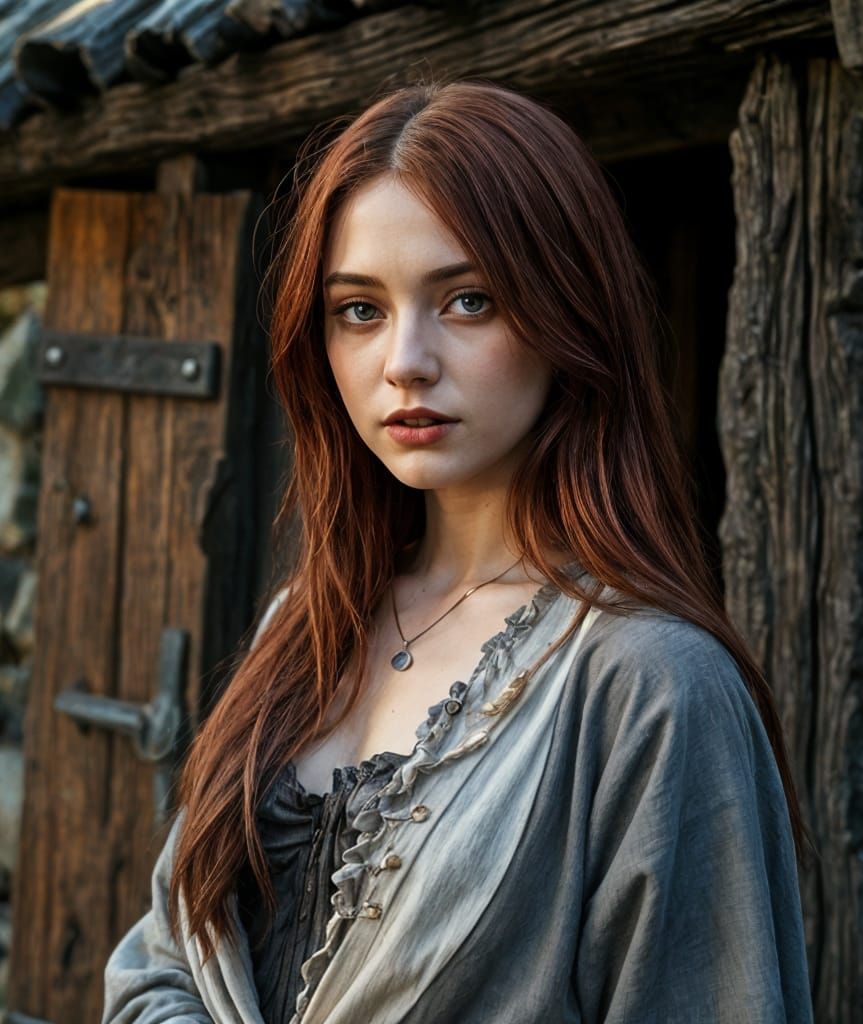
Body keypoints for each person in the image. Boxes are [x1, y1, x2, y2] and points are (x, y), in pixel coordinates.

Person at [101, 78, 816, 1023]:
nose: (405, 360)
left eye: (468, 299)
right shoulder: (306, 627)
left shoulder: (650, 684)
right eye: (359, 309)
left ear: (571, 315)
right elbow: (162, 960)